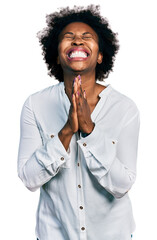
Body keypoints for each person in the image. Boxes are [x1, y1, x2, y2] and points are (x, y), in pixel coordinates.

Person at [17, 5, 140, 240]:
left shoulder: (125, 109)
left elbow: (123, 185)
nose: (77, 42)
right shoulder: (35, 105)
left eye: (87, 37)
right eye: (68, 37)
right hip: (54, 234)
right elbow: (29, 179)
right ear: (56, 54)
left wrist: (89, 130)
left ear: (100, 55)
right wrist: (66, 132)